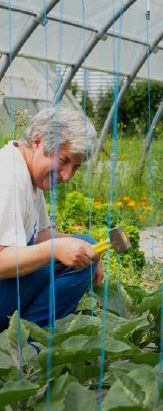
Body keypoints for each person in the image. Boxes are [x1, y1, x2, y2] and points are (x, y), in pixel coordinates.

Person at [0, 107, 103, 330]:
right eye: (64, 160)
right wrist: (56, 249)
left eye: (75, 167)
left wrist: (87, 248)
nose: (66, 175)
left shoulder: (27, 172)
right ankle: (29, 343)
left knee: (86, 245)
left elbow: (40, 235)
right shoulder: (10, 178)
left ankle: (27, 336)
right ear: (38, 141)